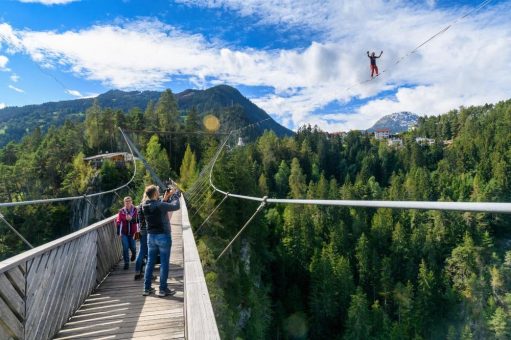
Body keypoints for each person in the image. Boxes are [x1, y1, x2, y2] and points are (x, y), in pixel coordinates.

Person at [141, 184, 180, 297]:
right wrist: (175, 195)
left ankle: (146, 288)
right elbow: (175, 206)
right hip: (163, 236)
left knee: (150, 262)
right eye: (157, 191)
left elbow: (157, 206)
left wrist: (166, 198)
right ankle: (163, 289)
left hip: (151, 237)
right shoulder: (160, 205)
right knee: (164, 263)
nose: (159, 192)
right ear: (154, 194)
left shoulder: (144, 205)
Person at [116, 196, 138, 270]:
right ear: (124, 202)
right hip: (124, 233)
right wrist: (119, 233)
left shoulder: (135, 210)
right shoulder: (121, 211)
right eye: (126, 201)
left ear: (131, 202)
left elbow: (138, 220)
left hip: (133, 233)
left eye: (129, 201)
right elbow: (118, 222)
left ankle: (134, 254)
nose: (127, 203)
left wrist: (131, 219)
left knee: (133, 247)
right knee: (125, 248)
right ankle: (126, 263)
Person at [134, 193, 149, 280]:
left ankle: (137, 272)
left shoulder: (139, 206)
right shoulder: (147, 205)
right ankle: (148, 274)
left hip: (141, 231)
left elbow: (137, 220)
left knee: (141, 252)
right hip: (148, 231)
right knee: (148, 254)